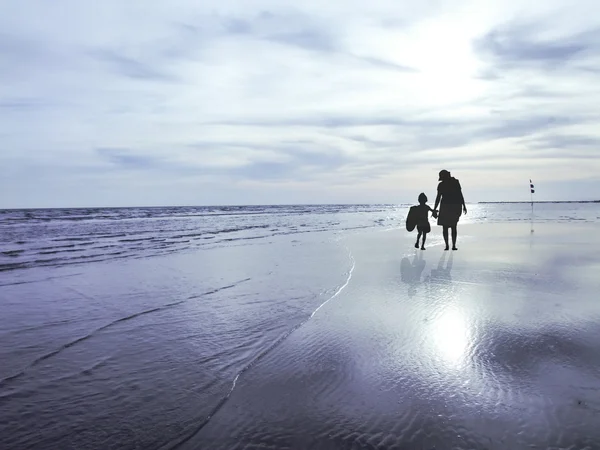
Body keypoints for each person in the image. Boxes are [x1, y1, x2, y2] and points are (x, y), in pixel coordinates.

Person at [434, 169, 467, 251]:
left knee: (451, 227)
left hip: (450, 207)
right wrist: (434, 208)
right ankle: (449, 246)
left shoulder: (454, 182)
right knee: (450, 227)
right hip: (451, 206)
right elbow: (438, 197)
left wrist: (464, 205)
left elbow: (460, 194)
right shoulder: (449, 183)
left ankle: (451, 245)